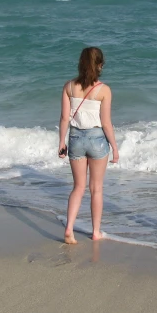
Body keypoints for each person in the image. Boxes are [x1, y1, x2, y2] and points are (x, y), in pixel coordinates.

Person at [58, 47, 119, 244]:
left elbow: (64, 118)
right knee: (96, 189)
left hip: (75, 139)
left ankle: (69, 228)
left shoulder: (69, 87)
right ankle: (95, 232)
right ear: (100, 65)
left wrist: (61, 142)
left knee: (78, 187)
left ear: (80, 63)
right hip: (97, 139)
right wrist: (115, 148)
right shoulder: (104, 90)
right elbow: (106, 122)